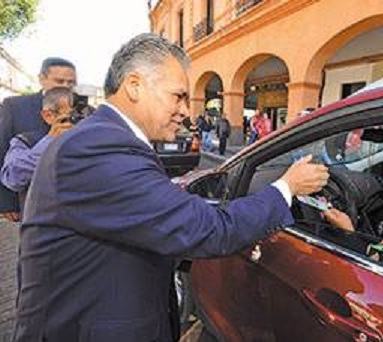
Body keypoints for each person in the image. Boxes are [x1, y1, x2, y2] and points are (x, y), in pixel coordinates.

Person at [12, 33, 329, 342]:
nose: (186, 111)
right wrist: (287, 187)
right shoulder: (99, 147)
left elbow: (153, 214)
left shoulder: (104, 139)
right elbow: (207, 230)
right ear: (134, 85)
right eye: (178, 96)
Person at [0, 57, 76, 223]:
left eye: (71, 82)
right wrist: (6, 203)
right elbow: (2, 149)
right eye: (59, 81)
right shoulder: (15, 106)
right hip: (29, 201)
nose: (65, 86)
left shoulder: (84, 110)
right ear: (41, 79)